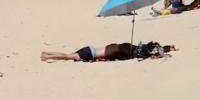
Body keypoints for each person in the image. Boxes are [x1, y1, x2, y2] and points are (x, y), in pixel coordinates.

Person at [40, 42, 176, 62]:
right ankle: (46, 56)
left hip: (89, 50)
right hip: (90, 53)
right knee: (68, 57)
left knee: (68, 55)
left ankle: (47, 53)